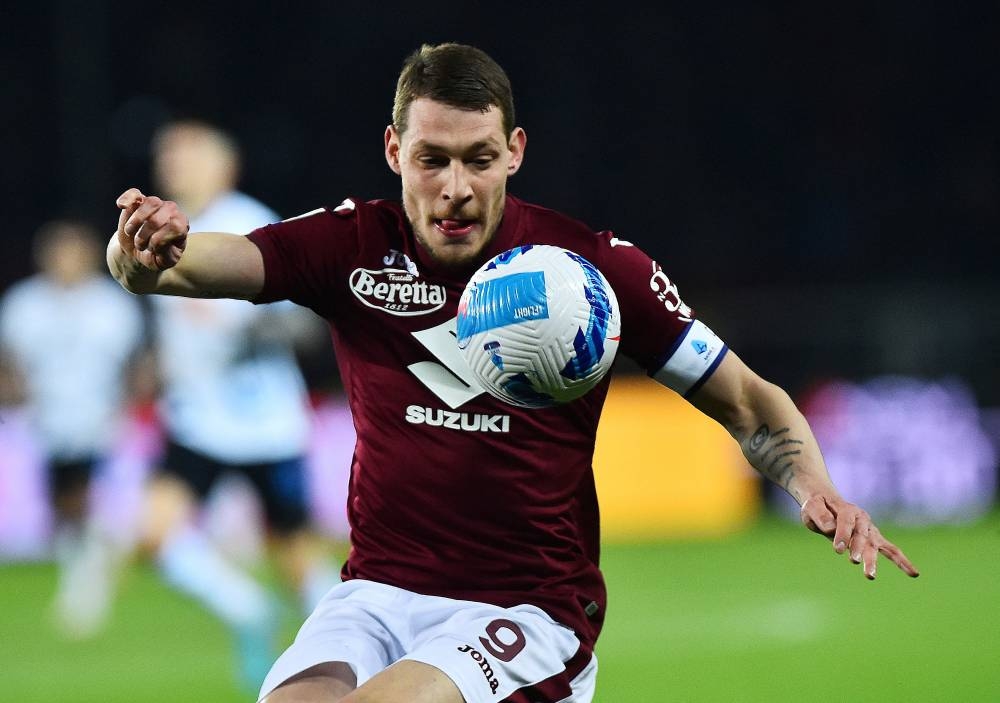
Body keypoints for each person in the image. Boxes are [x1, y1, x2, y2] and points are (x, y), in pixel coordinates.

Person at [107, 43, 920, 703]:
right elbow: (179, 267)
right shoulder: (351, 248)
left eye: (479, 159)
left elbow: (749, 403)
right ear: (394, 150)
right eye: (431, 159)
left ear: (514, 153)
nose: (455, 189)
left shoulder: (594, 274)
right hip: (379, 591)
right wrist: (139, 248)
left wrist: (814, 482)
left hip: (529, 611)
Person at [140, 119, 340, 691]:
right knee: (155, 535)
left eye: (188, 154)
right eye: (169, 156)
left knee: (297, 558)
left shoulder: (250, 223)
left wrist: (252, 328)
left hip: (265, 424)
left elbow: (304, 316)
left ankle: (358, 643)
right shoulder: (166, 228)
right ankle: (250, 611)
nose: (174, 165)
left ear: (223, 165)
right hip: (197, 421)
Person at [0, 219, 146, 638]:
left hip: (100, 421)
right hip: (49, 423)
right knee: (62, 507)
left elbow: (133, 365)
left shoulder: (111, 304)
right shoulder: (23, 305)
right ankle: (83, 568)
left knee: (87, 498)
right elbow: (12, 365)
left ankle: (85, 587)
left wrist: (130, 410)